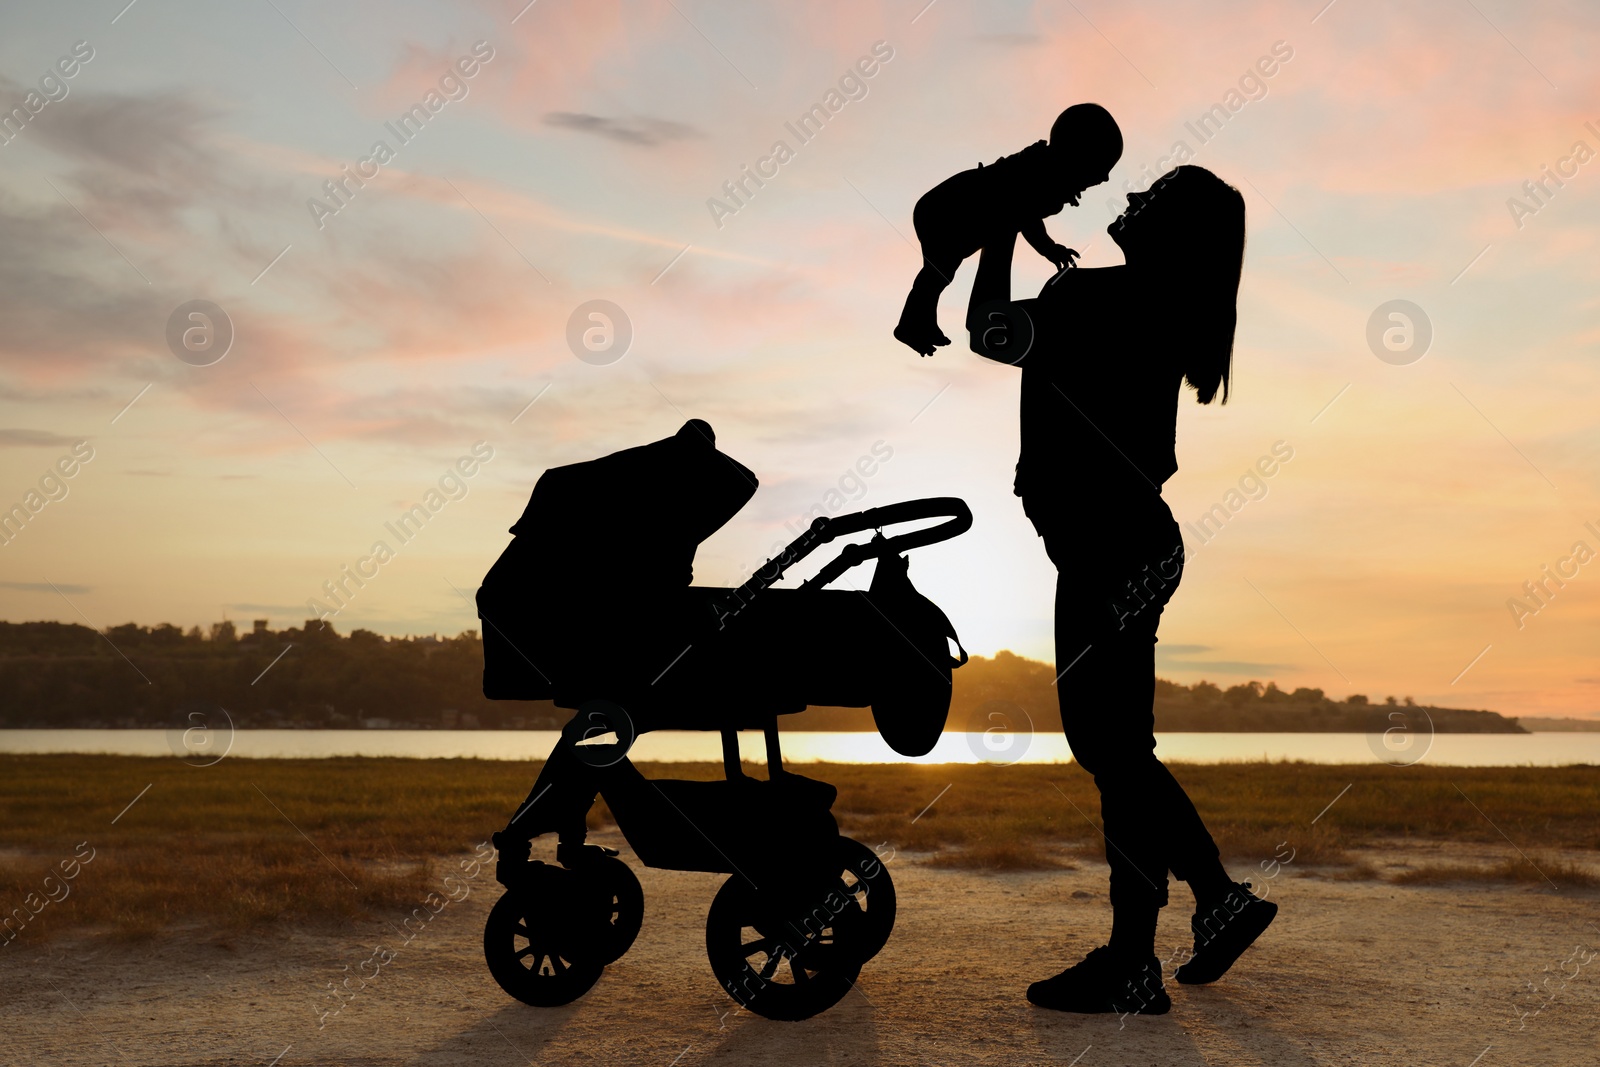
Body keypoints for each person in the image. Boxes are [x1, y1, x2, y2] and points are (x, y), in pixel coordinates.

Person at [965, 165, 1276, 1016]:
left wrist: (997, 227)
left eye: (1150, 198)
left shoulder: (1095, 300)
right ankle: (1195, 914)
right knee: (1118, 748)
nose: (1129, 199)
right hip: (1136, 542)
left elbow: (988, 331)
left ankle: (1162, 936)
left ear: (1167, 230)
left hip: (1109, 547)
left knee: (1110, 749)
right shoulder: (1163, 309)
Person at [894, 103, 1122, 358]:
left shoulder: (1039, 174)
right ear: (1078, 154)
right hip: (944, 210)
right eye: (1102, 167)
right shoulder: (1035, 174)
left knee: (941, 273)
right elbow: (1025, 217)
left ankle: (926, 323)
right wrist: (1048, 248)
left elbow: (1024, 215)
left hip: (955, 210)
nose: (1105, 179)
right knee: (942, 270)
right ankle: (923, 323)